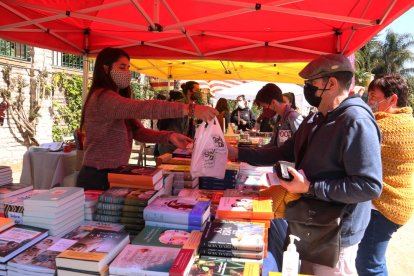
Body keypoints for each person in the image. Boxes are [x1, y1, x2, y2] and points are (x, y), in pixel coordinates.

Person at [227, 54, 383, 275]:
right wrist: (238, 152)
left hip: (335, 234)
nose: (306, 89)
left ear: (331, 83)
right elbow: (283, 151)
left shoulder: (355, 121)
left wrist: (310, 187)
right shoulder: (316, 118)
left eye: (311, 83)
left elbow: (369, 186)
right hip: (309, 223)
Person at [77, 48, 217, 190]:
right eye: (122, 67)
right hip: (97, 176)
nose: (127, 72)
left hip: (112, 173)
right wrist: (189, 109)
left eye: (128, 68)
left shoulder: (114, 99)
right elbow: (146, 108)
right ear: (106, 69)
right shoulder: (103, 98)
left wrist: (170, 136)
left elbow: (138, 132)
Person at [356, 74, 414, 276]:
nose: (370, 101)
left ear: (393, 99)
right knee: (372, 260)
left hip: (384, 206)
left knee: (369, 264)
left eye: (373, 96)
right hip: (396, 203)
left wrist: (352, 102)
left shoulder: (383, 127)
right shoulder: (409, 123)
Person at [155, 90, 188, 156]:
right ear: (173, 100)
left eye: (182, 102)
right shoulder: (166, 111)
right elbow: (161, 127)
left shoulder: (184, 113)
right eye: (179, 101)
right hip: (167, 146)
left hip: (177, 144)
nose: (181, 104)